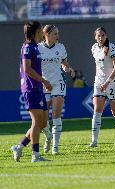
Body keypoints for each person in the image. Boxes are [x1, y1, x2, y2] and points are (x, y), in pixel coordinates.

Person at [11, 21, 52, 162]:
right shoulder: (28, 47)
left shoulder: (35, 47)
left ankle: (19, 146)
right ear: (36, 32)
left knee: (43, 123)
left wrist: (42, 82)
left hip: (38, 88)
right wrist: (44, 81)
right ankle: (35, 155)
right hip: (31, 89)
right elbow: (27, 69)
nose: (43, 33)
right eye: (41, 30)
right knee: (36, 121)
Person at [38, 24, 75, 155]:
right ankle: (48, 137)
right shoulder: (38, 48)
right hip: (44, 85)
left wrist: (67, 69)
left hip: (58, 83)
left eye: (58, 33)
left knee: (56, 115)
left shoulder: (61, 47)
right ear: (46, 34)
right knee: (42, 120)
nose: (58, 36)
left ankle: (55, 146)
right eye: (55, 34)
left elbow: (64, 63)